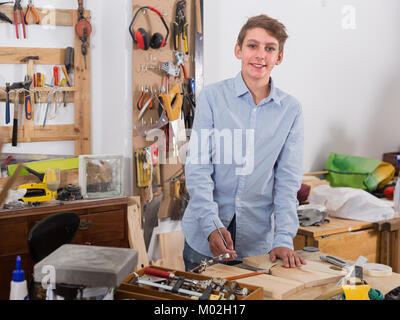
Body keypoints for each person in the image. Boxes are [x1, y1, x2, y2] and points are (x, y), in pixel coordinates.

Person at [181, 14, 306, 271]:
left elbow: (287, 181)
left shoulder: (291, 110)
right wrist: (210, 225)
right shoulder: (213, 97)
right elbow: (198, 168)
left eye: (269, 48)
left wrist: (283, 238)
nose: (260, 55)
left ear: (279, 57)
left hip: (257, 246)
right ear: (239, 50)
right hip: (204, 238)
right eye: (252, 46)